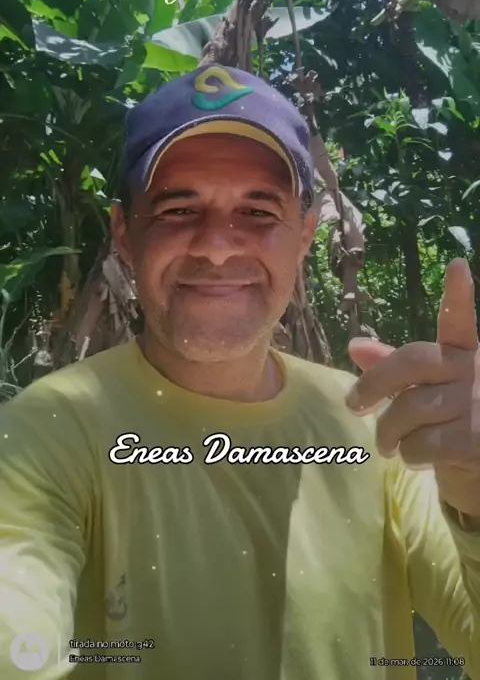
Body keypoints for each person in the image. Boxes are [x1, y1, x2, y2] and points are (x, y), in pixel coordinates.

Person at [0, 64, 479, 680]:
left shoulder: (376, 428)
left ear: (305, 235)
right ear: (125, 235)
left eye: (258, 210)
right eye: (179, 209)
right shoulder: (50, 434)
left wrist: (474, 492)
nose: (218, 246)